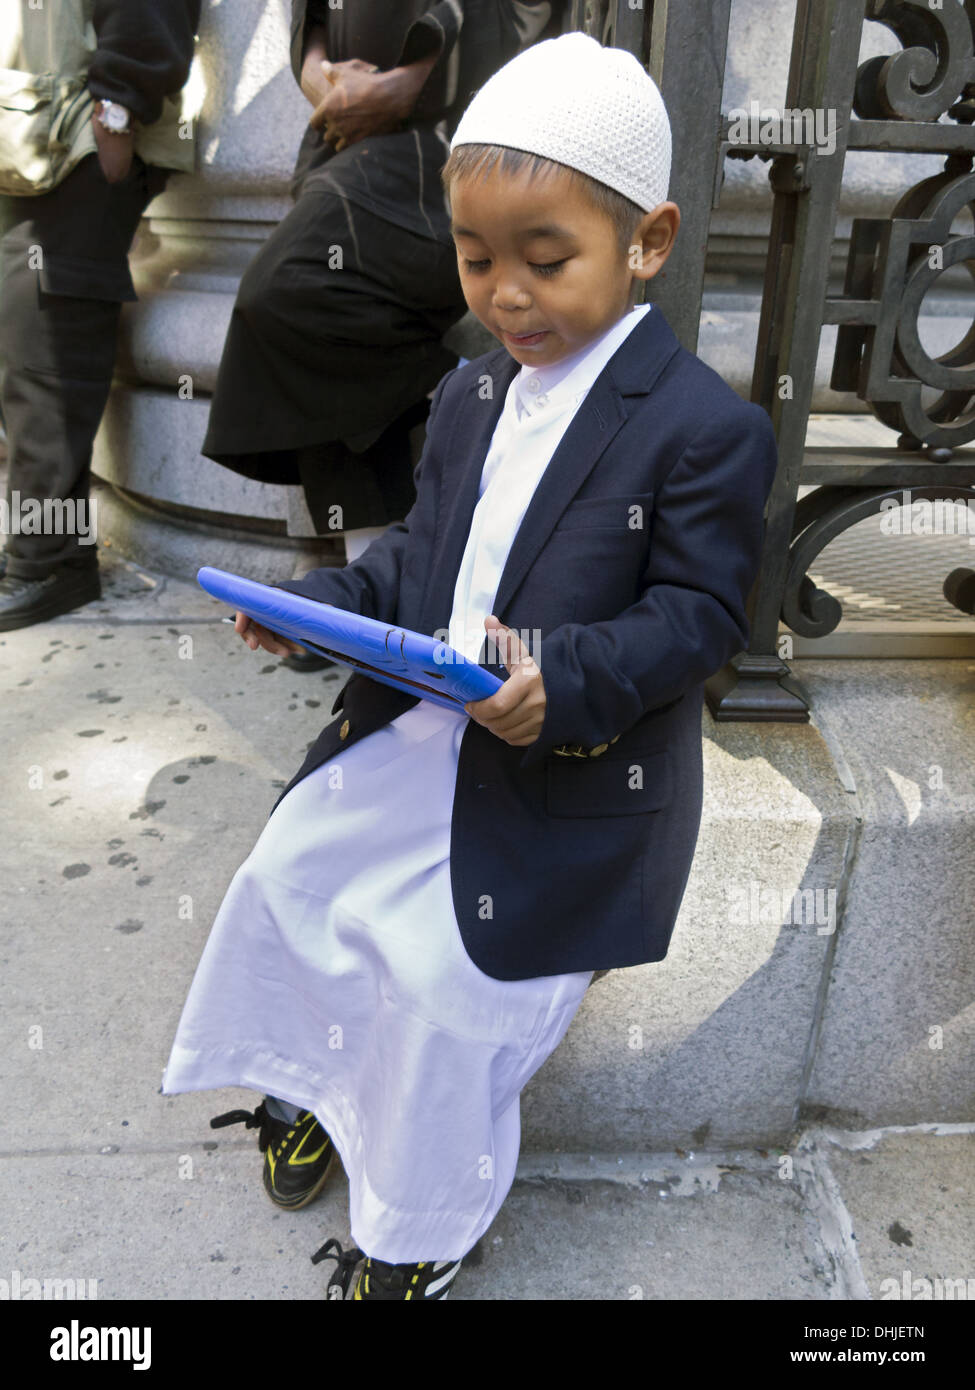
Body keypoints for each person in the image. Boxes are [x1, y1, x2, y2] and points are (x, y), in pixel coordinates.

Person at [162, 32, 780, 1300]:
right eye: (477, 259)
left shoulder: (704, 428)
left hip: (557, 774)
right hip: (417, 735)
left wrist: (562, 677)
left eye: (546, 261)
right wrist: (316, 610)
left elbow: (699, 616)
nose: (506, 294)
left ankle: (421, 1227)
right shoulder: (470, 395)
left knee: (446, 987)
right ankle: (321, 1094)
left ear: (648, 243)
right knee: (291, 873)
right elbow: (413, 569)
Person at [200, 1, 559, 676]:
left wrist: (405, 84)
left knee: (297, 292)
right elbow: (309, 16)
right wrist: (323, 82)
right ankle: (369, 603)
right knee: (333, 335)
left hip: (453, 133)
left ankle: (467, 395)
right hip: (348, 134)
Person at [0, 0, 201, 630]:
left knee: (47, 346)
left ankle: (49, 562)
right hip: (34, 139)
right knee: (27, 339)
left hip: (79, 140)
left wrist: (118, 110)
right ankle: (53, 547)